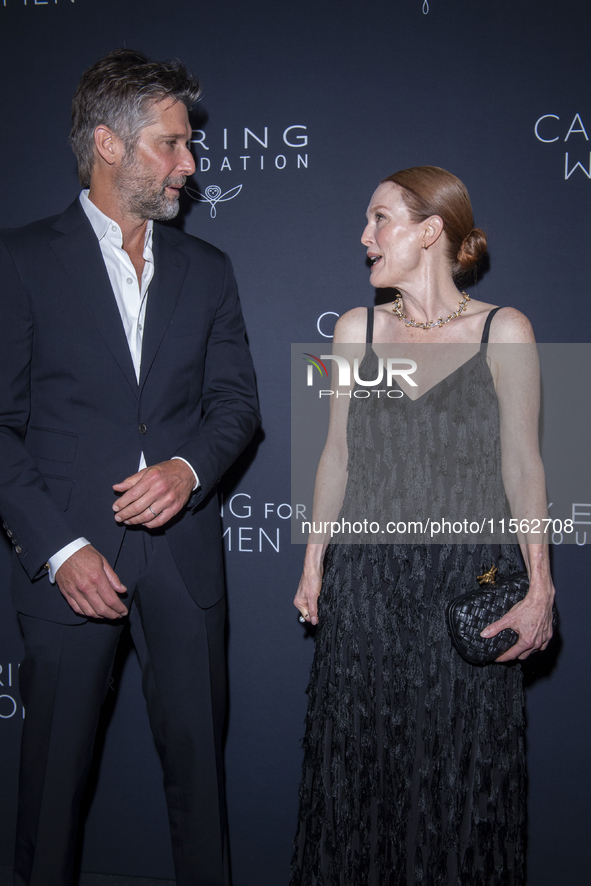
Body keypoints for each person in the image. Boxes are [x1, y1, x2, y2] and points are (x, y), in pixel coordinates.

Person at [0, 49, 260, 886]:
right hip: (69, 557)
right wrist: (60, 550)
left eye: (189, 145)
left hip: (183, 560)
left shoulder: (208, 270)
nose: (191, 162)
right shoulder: (20, 261)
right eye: (172, 144)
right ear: (108, 146)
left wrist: (187, 470)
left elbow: (235, 408)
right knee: (49, 797)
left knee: (202, 793)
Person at [292, 166, 555, 885]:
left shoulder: (504, 330)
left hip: (467, 583)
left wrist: (539, 588)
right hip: (367, 588)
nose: (363, 236)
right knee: (360, 772)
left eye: (379, 219)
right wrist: (314, 562)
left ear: (430, 230)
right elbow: (336, 456)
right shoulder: (356, 330)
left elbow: (523, 465)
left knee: (462, 775)